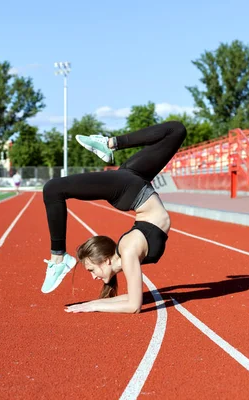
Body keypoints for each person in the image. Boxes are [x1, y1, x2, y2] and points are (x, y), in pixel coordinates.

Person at [41, 121, 187, 314]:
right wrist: (93, 304)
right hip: (134, 184)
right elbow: (134, 302)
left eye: (92, 270)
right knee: (177, 130)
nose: (93, 277)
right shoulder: (128, 254)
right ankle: (109, 144)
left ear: (107, 260)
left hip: (130, 189)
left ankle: (58, 259)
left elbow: (133, 305)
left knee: (53, 189)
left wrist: (92, 306)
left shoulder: (127, 251)